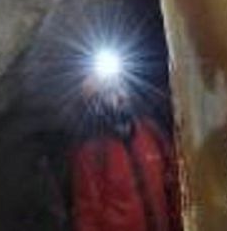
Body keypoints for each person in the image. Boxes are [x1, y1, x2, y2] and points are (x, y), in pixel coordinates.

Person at [69, 67, 181, 231]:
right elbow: (87, 217)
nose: (121, 96)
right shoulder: (92, 154)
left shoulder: (151, 133)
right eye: (110, 92)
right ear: (97, 105)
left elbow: (173, 187)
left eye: (121, 88)